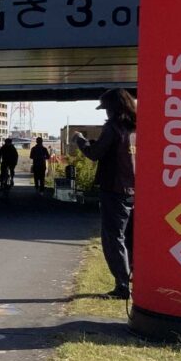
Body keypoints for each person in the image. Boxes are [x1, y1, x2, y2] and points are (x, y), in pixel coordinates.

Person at [73, 89, 136, 300]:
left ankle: (122, 286)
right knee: (131, 238)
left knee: (113, 238)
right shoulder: (136, 127)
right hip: (135, 189)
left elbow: (95, 153)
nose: (106, 113)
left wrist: (80, 140)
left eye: (106, 109)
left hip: (114, 189)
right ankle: (134, 280)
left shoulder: (112, 127)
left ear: (113, 108)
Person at [0, 137, 19, 202]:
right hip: (5, 162)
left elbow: (16, 156)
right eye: (6, 142)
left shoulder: (12, 148)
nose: (7, 143)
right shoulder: (4, 147)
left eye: (8, 142)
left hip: (11, 162)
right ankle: (2, 183)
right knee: (2, 172)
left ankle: (11, 179)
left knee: (11, 170)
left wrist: (15, 162)